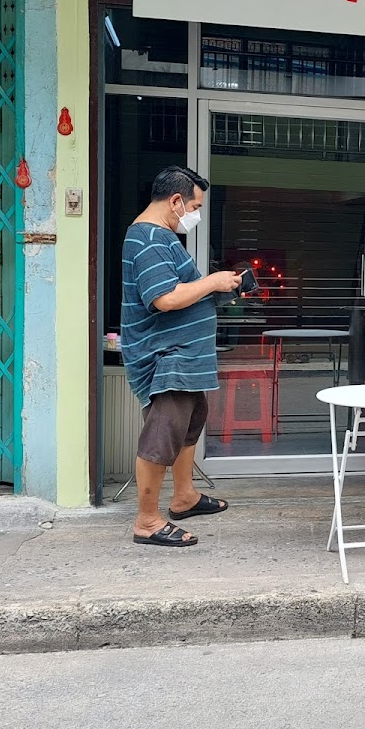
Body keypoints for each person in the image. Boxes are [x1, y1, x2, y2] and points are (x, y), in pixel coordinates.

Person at [121, 166, 241, 547]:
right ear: (175, 201)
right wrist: (212, 281)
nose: (195, 214)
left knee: (190, 425)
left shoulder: (161, 237)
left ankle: (185, 496)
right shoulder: (149, 240)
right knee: (162, 437)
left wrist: (218, 290)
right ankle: (147, 521)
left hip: (185, 357)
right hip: (166, 357)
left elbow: (182, 292)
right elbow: (165, 298)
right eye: (194, 205)